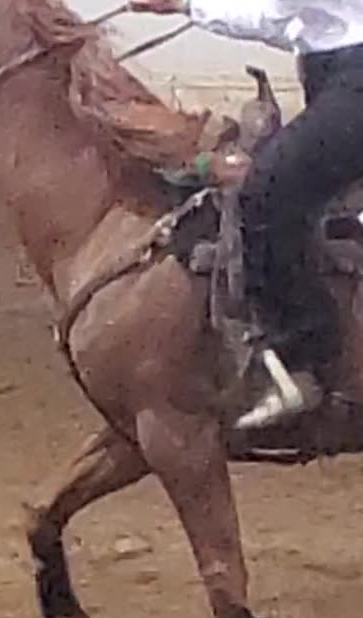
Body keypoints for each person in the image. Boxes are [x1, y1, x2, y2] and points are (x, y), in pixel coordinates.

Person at [130, 0, 363, 429]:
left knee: (261, 195)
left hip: (352, 82)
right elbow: (294, 26)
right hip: (336, 76)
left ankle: (302, 357)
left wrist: (186, 5)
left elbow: (275, 13)